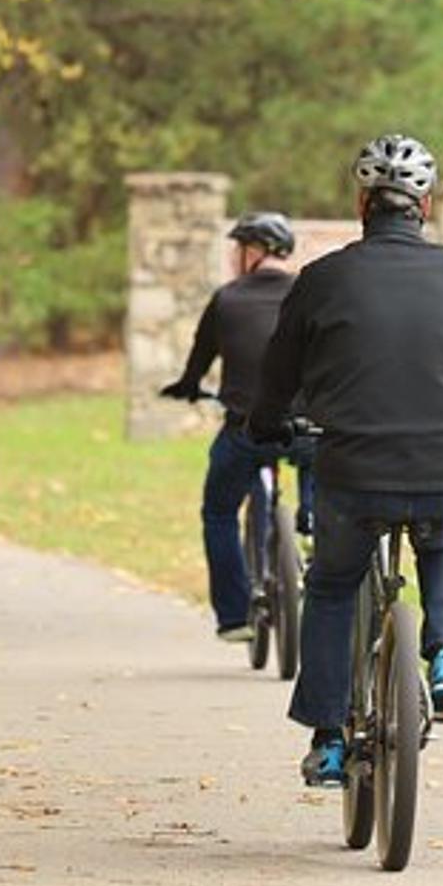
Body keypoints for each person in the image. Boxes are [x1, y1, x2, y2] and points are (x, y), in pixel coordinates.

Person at [248, 134, 443, 787]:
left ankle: (328, 740)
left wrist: (266, 422)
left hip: (353, 470)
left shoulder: (322, 279)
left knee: (333, 583)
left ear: (362, 203)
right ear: (425, 205)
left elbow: (279, 369)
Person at [159, 211, 311, 643]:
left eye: (237, 249)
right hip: (305, 429)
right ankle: (312, 523)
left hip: (246, 430)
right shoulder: (310, 296)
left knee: (219, 512)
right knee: (321, 468)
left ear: (254, 252)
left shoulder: (226, 299)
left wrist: (188, 387)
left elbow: (200, 359)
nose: (233, 258)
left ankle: (234, 617)